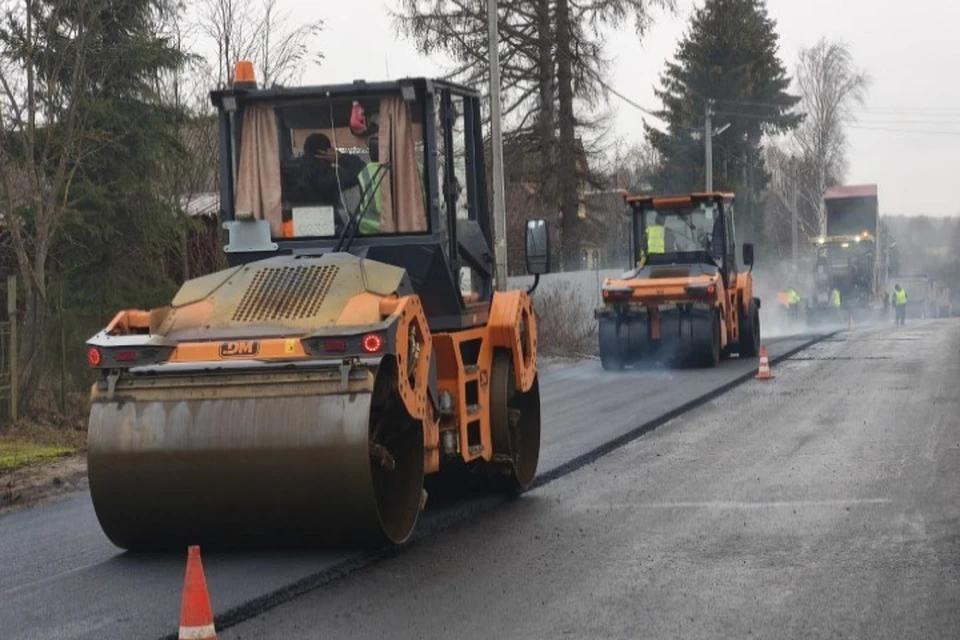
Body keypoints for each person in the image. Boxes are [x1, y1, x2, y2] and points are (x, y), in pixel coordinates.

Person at [291, 133, 366, 205]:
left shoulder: (291, 167)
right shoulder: (325, 175)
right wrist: (340, 158)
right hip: (325, 215)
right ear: (324, 152)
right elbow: (362, 170)